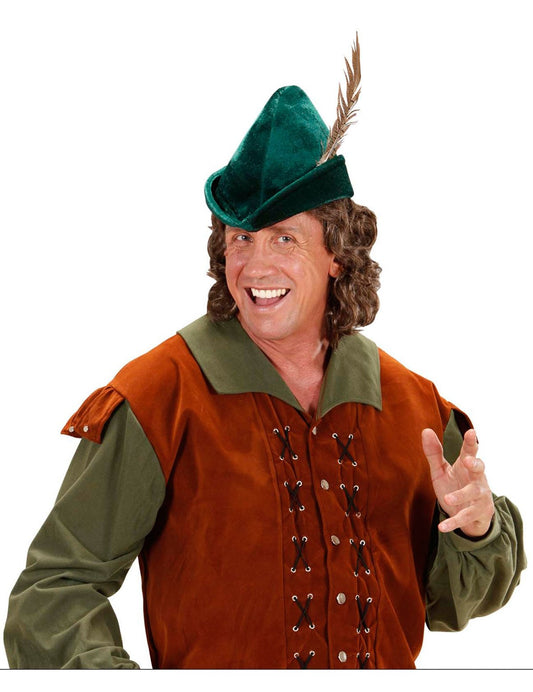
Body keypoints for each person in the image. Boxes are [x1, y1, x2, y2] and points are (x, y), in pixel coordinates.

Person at [4, 39, 526, 670]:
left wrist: (475, 526)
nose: (255, 265)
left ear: (337, 255)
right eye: (241, 238)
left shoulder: (413, 406)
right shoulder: (158, 399)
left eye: (284, 237)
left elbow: (446, 603)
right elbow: (54, 595)